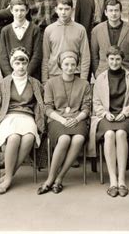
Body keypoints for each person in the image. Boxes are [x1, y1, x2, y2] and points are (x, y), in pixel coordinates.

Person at [88, 46, 129, 197]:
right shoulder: (100, 78)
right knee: (109, 134)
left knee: (121, 133)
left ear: (122, 60)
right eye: (111, 59)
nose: (114, 62)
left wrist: (125, 112)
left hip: (125, 117)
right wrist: (105, 113)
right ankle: (113, 180)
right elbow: (96, 103)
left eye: (117, 59)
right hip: (106, 117)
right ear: (107, 60)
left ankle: (122, 180)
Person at [0, 47, 45, 194]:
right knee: (13, 138)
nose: (21, 67)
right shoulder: (4, 83)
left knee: (29, 138)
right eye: (17, 63)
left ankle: (8, 176)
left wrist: (40, 119)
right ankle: (8, 179)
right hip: (8, 116)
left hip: (27, 116)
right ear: (12, 64)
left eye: (23, 63)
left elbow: (40, 103)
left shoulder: (34, 83)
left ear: (27, 64)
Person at [37, 51, 91, 195]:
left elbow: (86, 107)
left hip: (78, 118)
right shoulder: (51, 83)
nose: (70, 67)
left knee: (78, 138)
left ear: (77, 65)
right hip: (57, 119)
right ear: (60, 65)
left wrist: (76, 119)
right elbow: (47, 108)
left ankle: (59, 178)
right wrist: (62, 120)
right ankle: (50, 179)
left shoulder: (84, 84)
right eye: (66, 64)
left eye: (73, 64)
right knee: (64, 138)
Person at [42, 0, 90, 84]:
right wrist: (45, 80)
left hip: (75, 73)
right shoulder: (49, 29)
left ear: (72, 10)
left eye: (67, 9)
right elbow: (45, 57)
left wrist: (83, 79)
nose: (63, 12)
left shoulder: (80, 29)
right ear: (56, 9)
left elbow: (85, 56)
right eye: (60, 9)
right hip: (54, 74)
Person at [91, 0, 129, 78]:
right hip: (103, 73)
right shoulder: (97, 30)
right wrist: (97, 74)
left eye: (116, 10)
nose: (113, 13)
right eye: (110, 11)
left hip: (127, 72)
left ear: (120, 12)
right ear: (105, 13)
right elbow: (94, 55)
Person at [0, 0, 42, 79]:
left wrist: (26, 74)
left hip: (30, 76)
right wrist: (11, 76)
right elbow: (2, 57)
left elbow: (37, 55)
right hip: (11, 77)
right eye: (16, 10)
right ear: (11, 10)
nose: (19, 13)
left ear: (27, 10)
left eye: (22, 10)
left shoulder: (35, 29)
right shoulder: (5, 30)